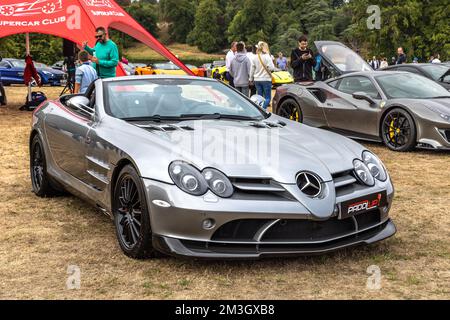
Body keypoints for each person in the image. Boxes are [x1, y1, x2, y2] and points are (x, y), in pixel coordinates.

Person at [250, 41, 275, 110]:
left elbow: (252, 69)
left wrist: (250, 79)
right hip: (266, 79)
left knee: (260, 97)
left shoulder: (255, 57)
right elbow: (272, 68)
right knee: (267, 98)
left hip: (257, 80)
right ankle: (263, 110)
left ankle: (260, 110)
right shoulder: (267, 56)